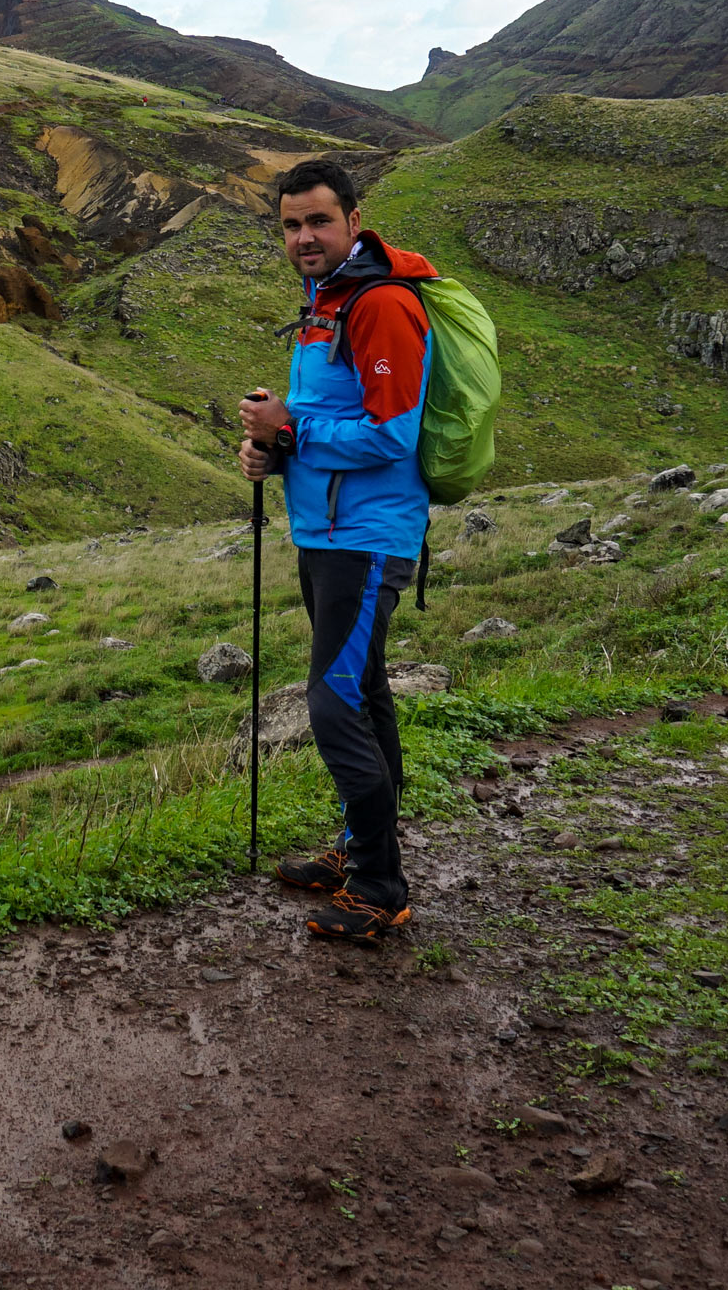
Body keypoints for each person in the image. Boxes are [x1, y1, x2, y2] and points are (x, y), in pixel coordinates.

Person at [237, 158, 437, 943]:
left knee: (333, 702)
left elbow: (393, 434)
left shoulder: (381, 304)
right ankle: (362, 854)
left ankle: (380, 888)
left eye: (318, 221)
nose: (304, 237)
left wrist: (291, 430)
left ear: (355, 220)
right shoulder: (327, 304)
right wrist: (271, 450)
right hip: (325, 532)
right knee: (366, 694)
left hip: (366, 539)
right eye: (291, 224)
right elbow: (319, 421)